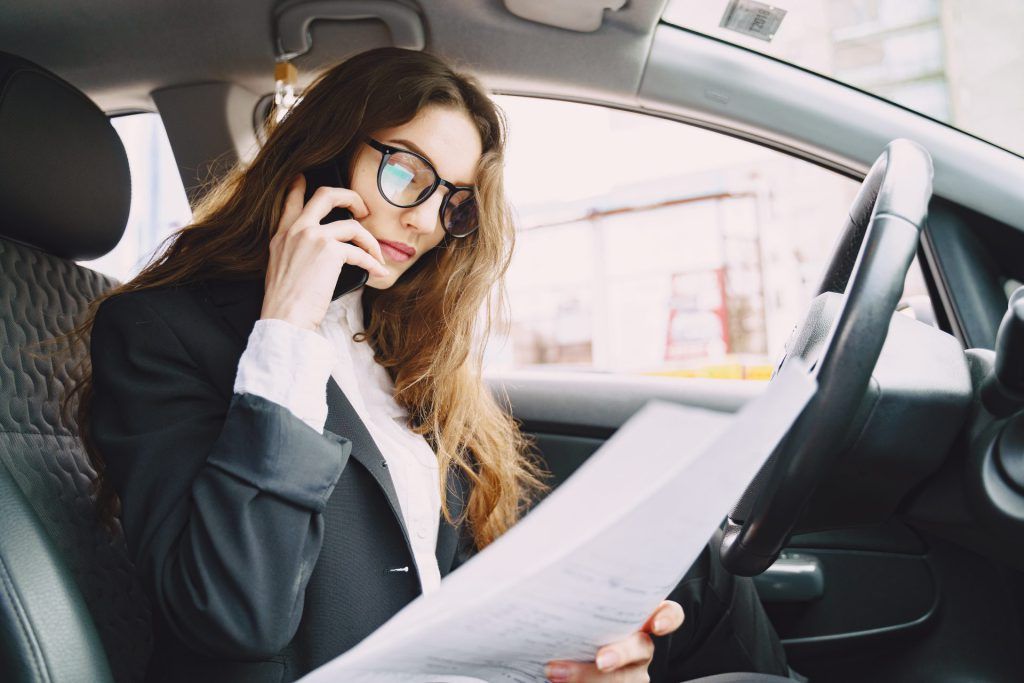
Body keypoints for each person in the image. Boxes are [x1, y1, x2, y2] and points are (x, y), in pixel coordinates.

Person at [74, 47, 792, 682]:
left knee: (695, 569)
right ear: (323, 153)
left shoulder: (392, 336)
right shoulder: (161, 331)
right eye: (407, 171)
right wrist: (285, 328)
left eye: (453, 200)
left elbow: (443, 566)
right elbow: (234, 614)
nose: (424, 220)